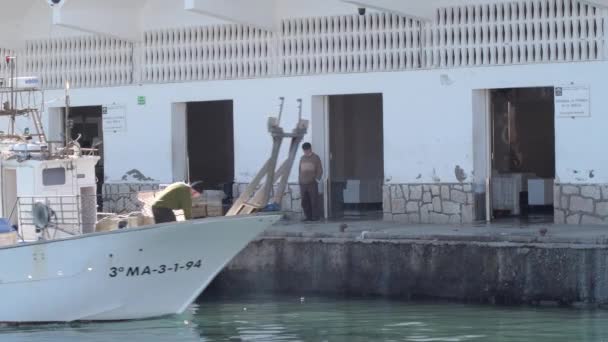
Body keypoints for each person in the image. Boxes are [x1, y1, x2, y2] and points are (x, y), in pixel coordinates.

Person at [299, 142, 323, 221]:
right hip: (303, 183)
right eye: (304, 150)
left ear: (310, 149)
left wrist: (316, 179)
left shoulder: (316, 158)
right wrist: (299, 180)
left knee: (314, 200)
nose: (305, 152)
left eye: (307, 150)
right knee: (304, 201)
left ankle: (315, 217)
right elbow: (300, 170)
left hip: (312, 183)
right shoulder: (302, 158)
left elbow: (320, 169)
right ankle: (308, 216)